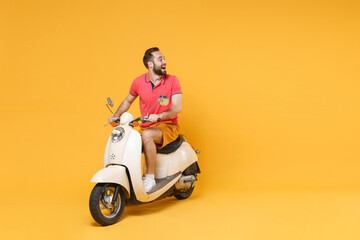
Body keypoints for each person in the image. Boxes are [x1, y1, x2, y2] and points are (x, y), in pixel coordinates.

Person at [108, 47, 182, 193]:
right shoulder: (138, 82)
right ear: (150, 64)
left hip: (168, 126)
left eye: (164, 58)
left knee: (147, 135)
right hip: (146, 126)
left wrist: (160, 116)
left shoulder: (173, 80)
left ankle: (150, 178)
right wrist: (116, 116)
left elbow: (177, 107)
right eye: (160, 59)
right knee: (130, 138)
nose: (165, 62)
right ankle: (130, 178)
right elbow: (127, 101)